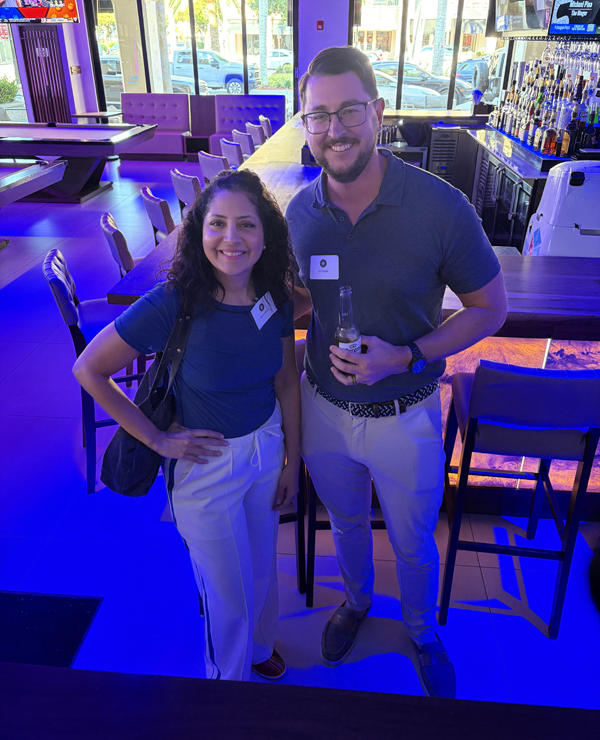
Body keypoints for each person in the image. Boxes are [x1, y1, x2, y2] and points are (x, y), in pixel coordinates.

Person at [286, 46, 507, 698]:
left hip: (406, 415)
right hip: (323, 409)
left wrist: (406, 354)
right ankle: (356, 602)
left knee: (413, 542)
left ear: (379, 112)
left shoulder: (440, 207)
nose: (335, 130)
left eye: (350, 111)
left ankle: (421, 631)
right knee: (346, 524)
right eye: (319, 115)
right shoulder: (299, 214)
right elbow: (303, 300)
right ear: (305, 124)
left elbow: (490, 308)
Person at [73, 169, 300, 682]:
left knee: (261, 567)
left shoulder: (276, 297)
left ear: (266, 236)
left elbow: (287, 380)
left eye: (246, 224)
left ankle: (259, 648)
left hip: (266, 449)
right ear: (199, 231)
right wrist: (156, 437)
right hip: (205, 465)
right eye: (217, 223)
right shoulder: (174, 302)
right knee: (227, 593)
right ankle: (225, 687)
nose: (231, 238)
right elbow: (89, 369)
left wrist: (293, 458)